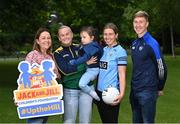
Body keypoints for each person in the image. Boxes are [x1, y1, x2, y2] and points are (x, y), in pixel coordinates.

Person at [130, 10, 167, 123]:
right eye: (135, 22)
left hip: (147, 91)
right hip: (134, 90)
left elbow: (162, 68)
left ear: (147, 24)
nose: (138, 25)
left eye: (141, 22)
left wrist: (159, 87)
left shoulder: (152, 43)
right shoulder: (134, 43)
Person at [53, 25, 94, 123]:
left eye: (67, 34)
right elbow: (66, 70)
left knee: (85, 121)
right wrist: (84, 63)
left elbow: (92, 61)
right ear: (59, 38)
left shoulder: (80, 47)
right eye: (62, 35)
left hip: (87, 90)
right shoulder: (57, 53)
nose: (65, 37)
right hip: (70, 91)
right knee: (69, 122)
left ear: (71, 34)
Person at [25, 27, 60, 123]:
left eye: (48, 38)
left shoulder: (50, 57)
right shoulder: (32, 55)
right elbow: (24, 77)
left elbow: (56, 77)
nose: (47, 40)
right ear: (38, 41)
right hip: (35, 99)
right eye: (43, 38)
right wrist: (20, 96)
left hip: (47, 99)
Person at [95, 23, 127, 123]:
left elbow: (122, 74)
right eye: (105, 34)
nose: (107, 37)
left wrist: (121, 94)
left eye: (110, 34)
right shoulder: (102, 50)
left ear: (116, 35)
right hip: (99, 93)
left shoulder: (120, 51)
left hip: (111, 94)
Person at [69, 26, 103, 101]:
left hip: (92, 71)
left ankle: (94, 95)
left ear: (92, 38)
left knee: (82, 84)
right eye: (81, 37)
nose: (82, 39)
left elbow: (84, 58)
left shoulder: (92, 47)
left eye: (84, 37)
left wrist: (74, 62)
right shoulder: (91, 45)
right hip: (91, 69)